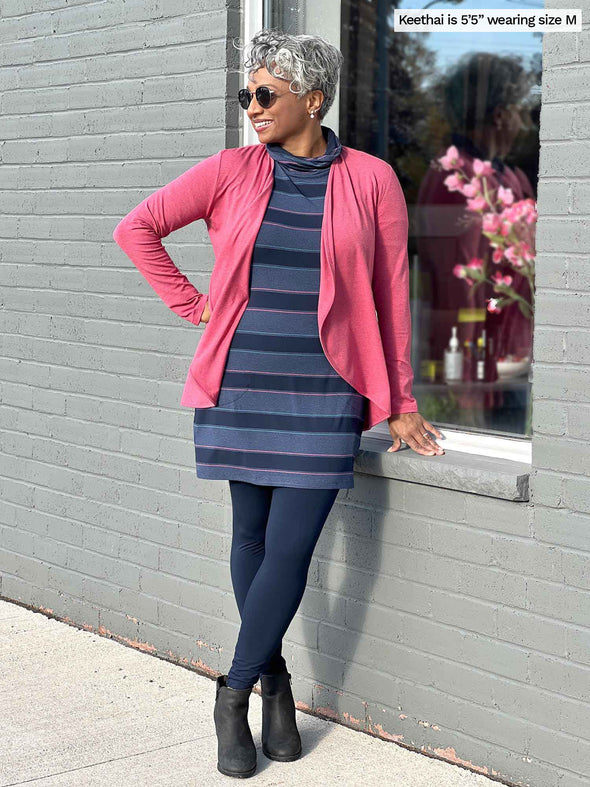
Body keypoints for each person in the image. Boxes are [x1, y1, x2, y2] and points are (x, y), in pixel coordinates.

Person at [113, 27, 444, 780]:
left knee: (289, 547)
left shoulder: (370, 179)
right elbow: (137, 229)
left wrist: (398, 399)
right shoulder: (231, 171)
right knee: (253, 538)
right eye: (247, 95)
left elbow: (392, 294)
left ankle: (233, 693)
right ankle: (277, 681)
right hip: (243, 381)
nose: (252, 107)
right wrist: (193, 303)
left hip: (326, 389)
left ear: (313, 99)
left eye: (266, 94)